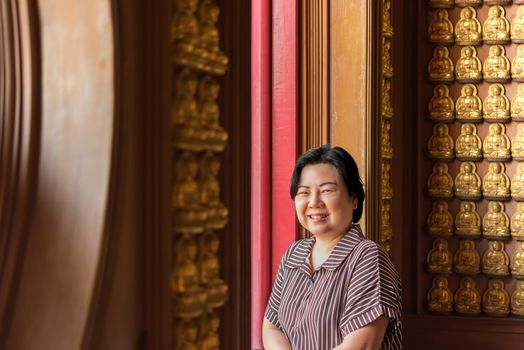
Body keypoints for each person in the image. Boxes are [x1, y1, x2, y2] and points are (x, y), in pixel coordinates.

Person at [263, 145, 402, 350]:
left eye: (327, 190)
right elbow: (272, 327)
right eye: (304, 192)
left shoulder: (367, 257)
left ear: (354, 199)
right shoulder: (294, 254)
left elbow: (361, 346)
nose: (314, 202)